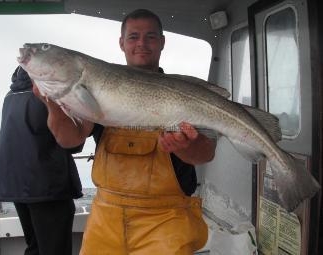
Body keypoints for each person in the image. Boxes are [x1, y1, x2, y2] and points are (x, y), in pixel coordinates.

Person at [34, 9, 217, 255]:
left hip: (166, 221)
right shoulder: (98, 87)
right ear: (121, 43)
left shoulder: (185, 94)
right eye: (133, 37)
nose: (141, 43)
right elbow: (70, 139)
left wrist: (186, 147)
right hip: (105, 220)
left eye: (150, 36)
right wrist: (52, 105)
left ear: (162, 42)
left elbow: (205, 154)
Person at [0, 66, 83, 255]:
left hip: (16, 186)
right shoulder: (49, 94)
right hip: (47, 187)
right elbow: (73, 144)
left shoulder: (10, 96)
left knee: (34, 247)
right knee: (55, 250)